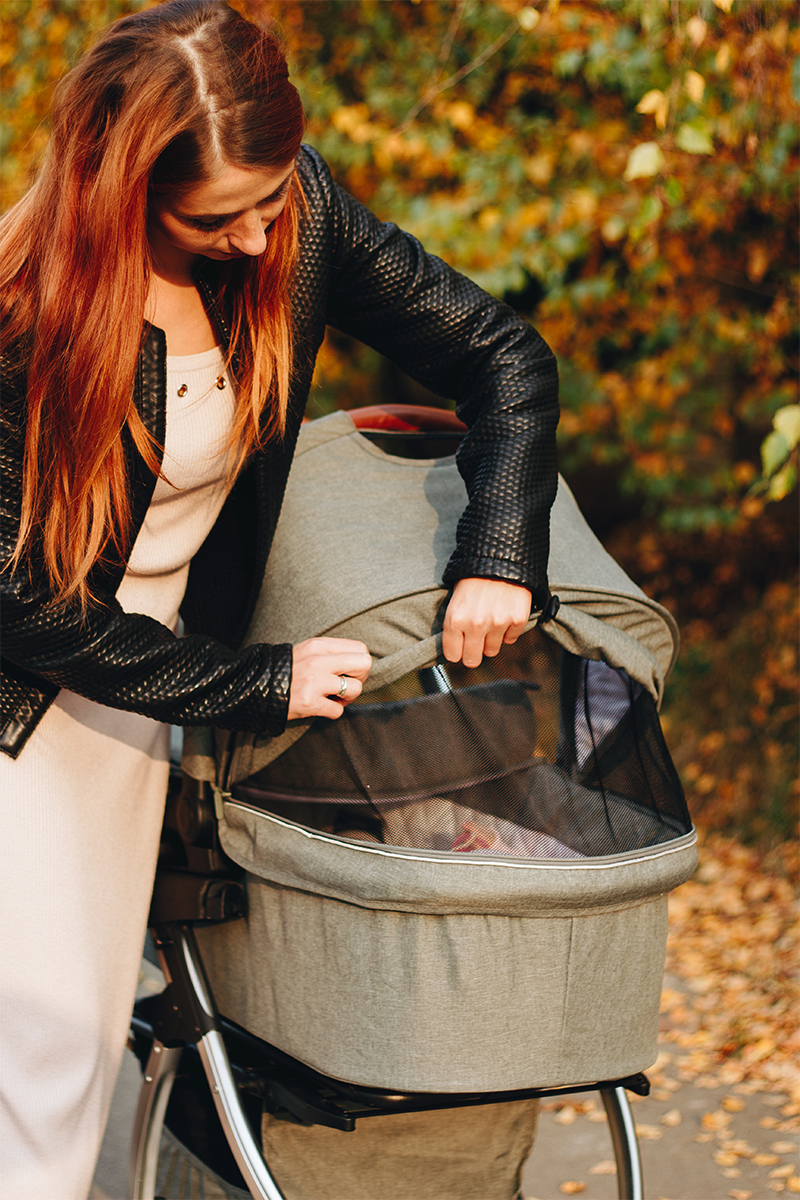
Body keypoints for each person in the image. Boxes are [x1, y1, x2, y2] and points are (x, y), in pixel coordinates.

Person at [0, 1, 559, 1195]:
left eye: (268, 202)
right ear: (120, 187)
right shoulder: (21, 309)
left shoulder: (296, 214)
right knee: (41, 1066)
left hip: (140, 710)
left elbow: (501, 355)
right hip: (24, 713)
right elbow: (22, 608)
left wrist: (499, 549)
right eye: (218, 217)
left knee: (79, 1053)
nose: (260, 239)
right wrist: (261, 680)